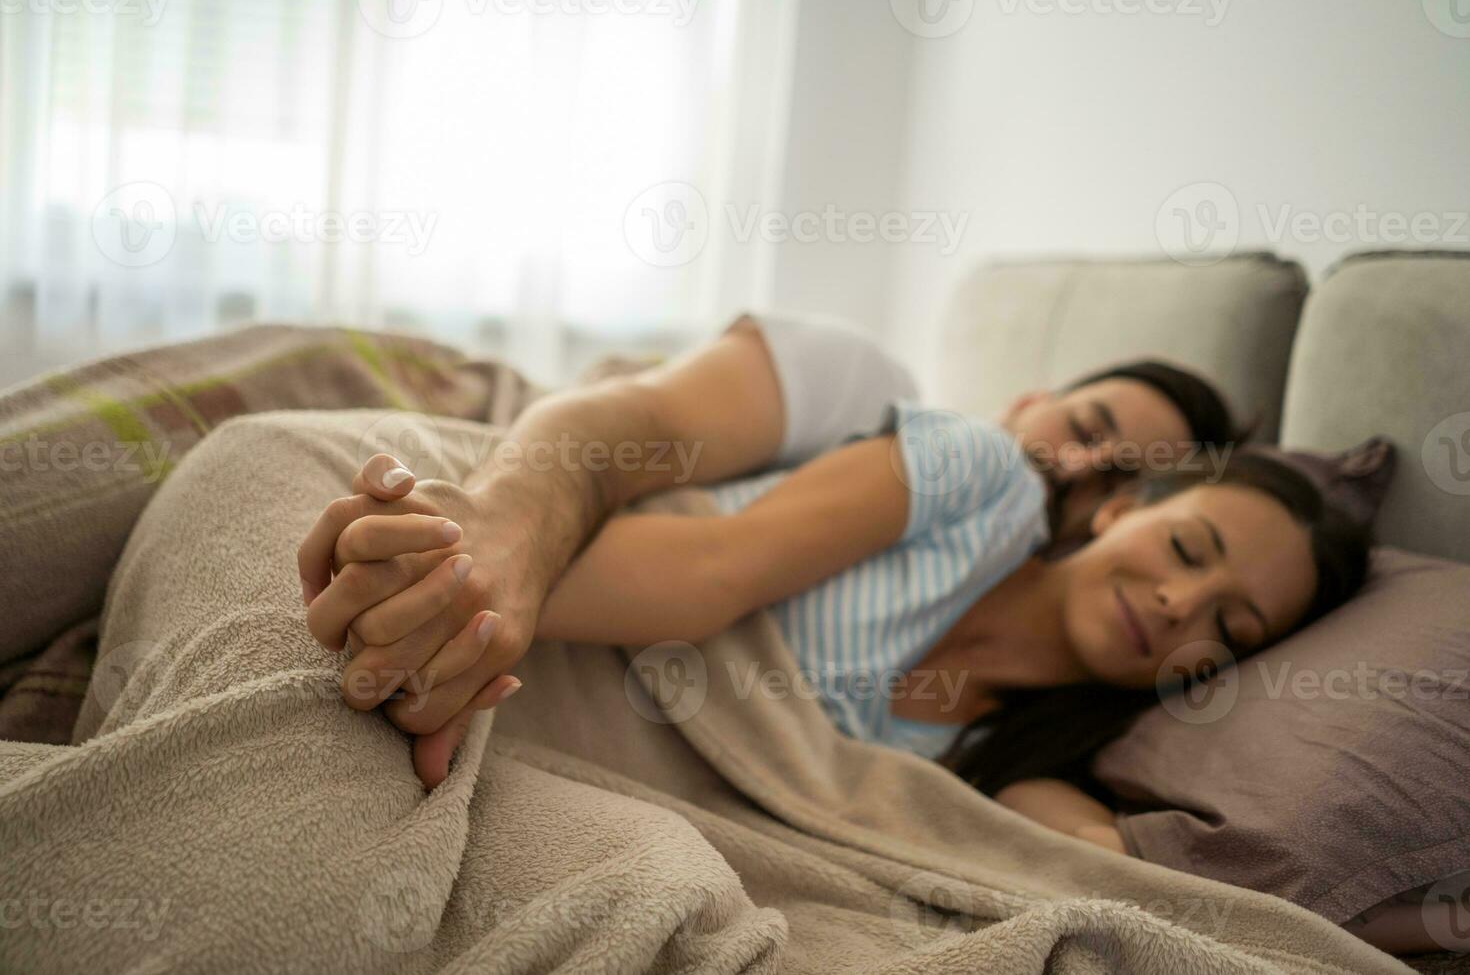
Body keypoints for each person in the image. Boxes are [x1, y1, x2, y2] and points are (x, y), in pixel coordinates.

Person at [296, 313, 1253, 792]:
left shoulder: (1022, 711)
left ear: (1113, 517)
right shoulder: (888, 401)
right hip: (556, 475)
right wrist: (470, 569)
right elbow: (634, 433)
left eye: (1110, 480)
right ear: (1027, 401)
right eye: (1084, 425)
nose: (1073, 468)